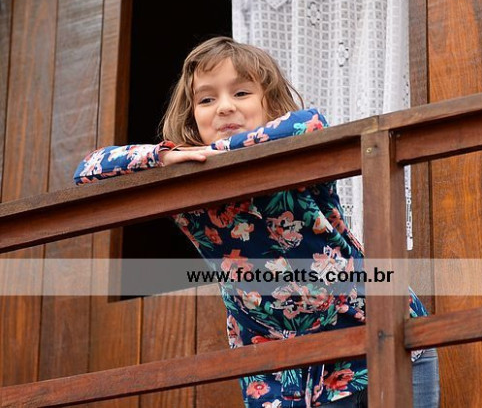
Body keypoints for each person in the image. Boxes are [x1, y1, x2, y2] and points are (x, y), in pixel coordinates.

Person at [74, 36, 439, 408]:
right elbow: (87, 170)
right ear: (192, 117)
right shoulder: (182, 182)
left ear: (269, 103)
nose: (224, 107)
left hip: (380, 332)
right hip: (284, 378)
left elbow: (310, 123)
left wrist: (213, 153)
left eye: (241, 93)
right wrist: (164, 156)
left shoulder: (292, 153)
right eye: (206, 99)